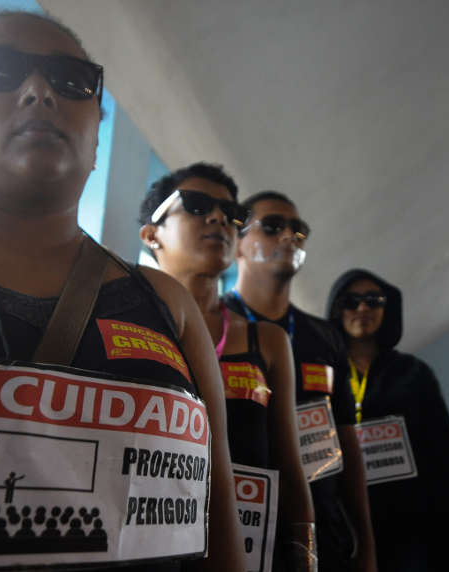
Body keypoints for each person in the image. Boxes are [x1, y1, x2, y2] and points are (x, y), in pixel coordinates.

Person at [0, 11, 245, 571]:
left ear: (97, 134)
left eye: (70, 81)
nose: (39, 91)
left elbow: (219, 529)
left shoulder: (164, 302)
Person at [138, 163, 316, 569]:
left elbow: (289, 465)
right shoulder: (125, 325)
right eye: (197, 205)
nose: (218, 217)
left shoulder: (267, 341)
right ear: (151, 235)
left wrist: (307, 557)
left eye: (231, 213)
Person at [224, 191, 377, 572]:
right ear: (238, 242)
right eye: (274, 226)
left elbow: (347, 439)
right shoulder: (211, 323)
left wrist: (366, 540)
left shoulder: (324, 336)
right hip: (238, 524)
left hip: (322, 525)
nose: (290, 236)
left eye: (299, 230)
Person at [326, 268, 449, 571]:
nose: (362, 308)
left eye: (373, 300)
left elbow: (443, 458)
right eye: (351, 300)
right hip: (343, 529)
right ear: (336, 309)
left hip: (411, 530)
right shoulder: (322, 376)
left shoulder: (413, 373)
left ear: (388, 309)